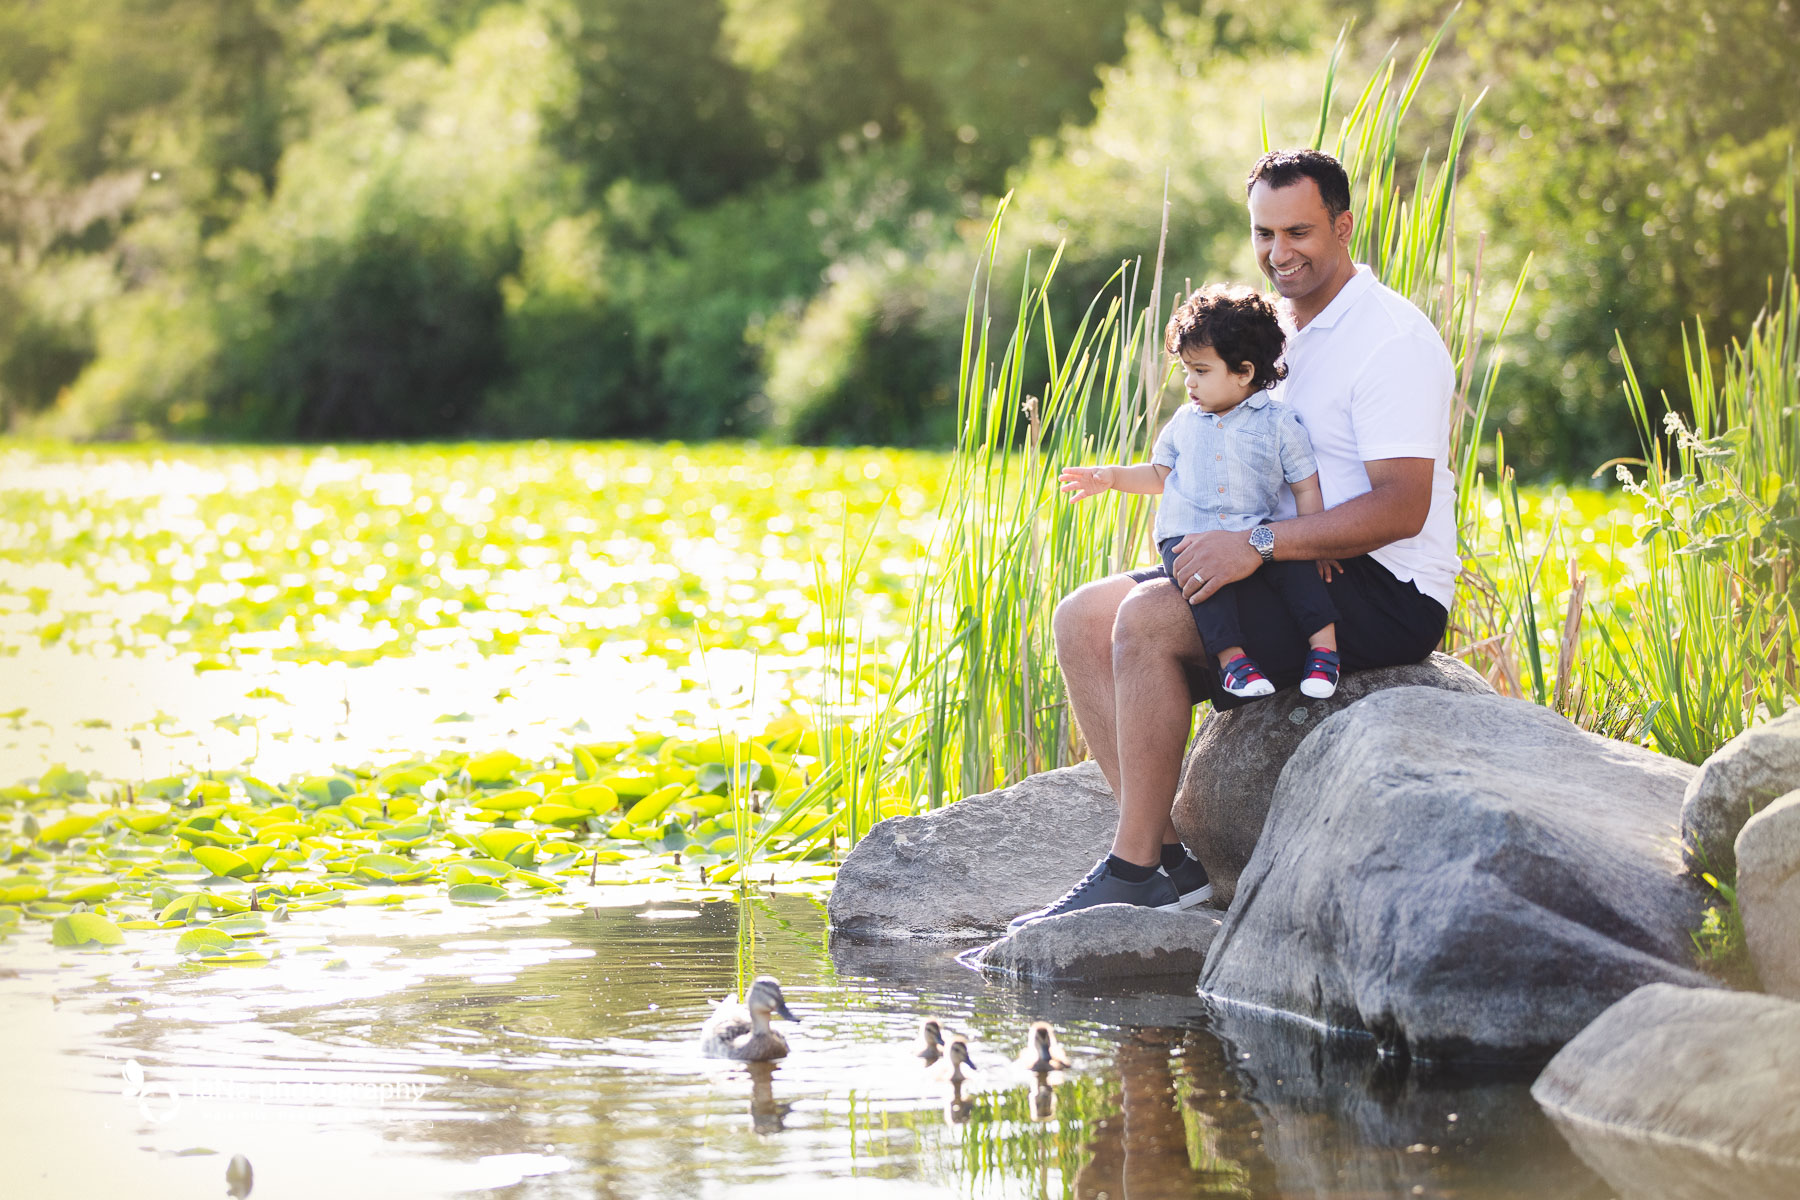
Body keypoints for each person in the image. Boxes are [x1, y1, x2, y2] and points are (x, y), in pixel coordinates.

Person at [1007, 148, 1458, 930]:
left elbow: (1402, 508)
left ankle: (1131, 866)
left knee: (1145, 623)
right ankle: (1170, 860)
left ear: (1344, 226)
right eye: (1264, 232)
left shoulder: (1392, 340)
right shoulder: (1273, 331)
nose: (1279, 252)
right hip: (1283, 562)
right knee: (1082, 616)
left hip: (1383, 589)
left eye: (1300, 232)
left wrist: (1256, 542)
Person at [1059, 283, 1343, 705]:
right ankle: (1233, 663)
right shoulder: (1184, 422)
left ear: (1245, 372)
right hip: (1186, 534)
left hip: (1250, 533)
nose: (1189, 383)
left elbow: (1305, 485)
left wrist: (1312, 541)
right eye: (1186, 371)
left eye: (1202, 371)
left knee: (1298, 571)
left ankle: (1324, 652)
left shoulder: (1280, 424)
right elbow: (1158, 475)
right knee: (1203, 582)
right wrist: (1112, 478)